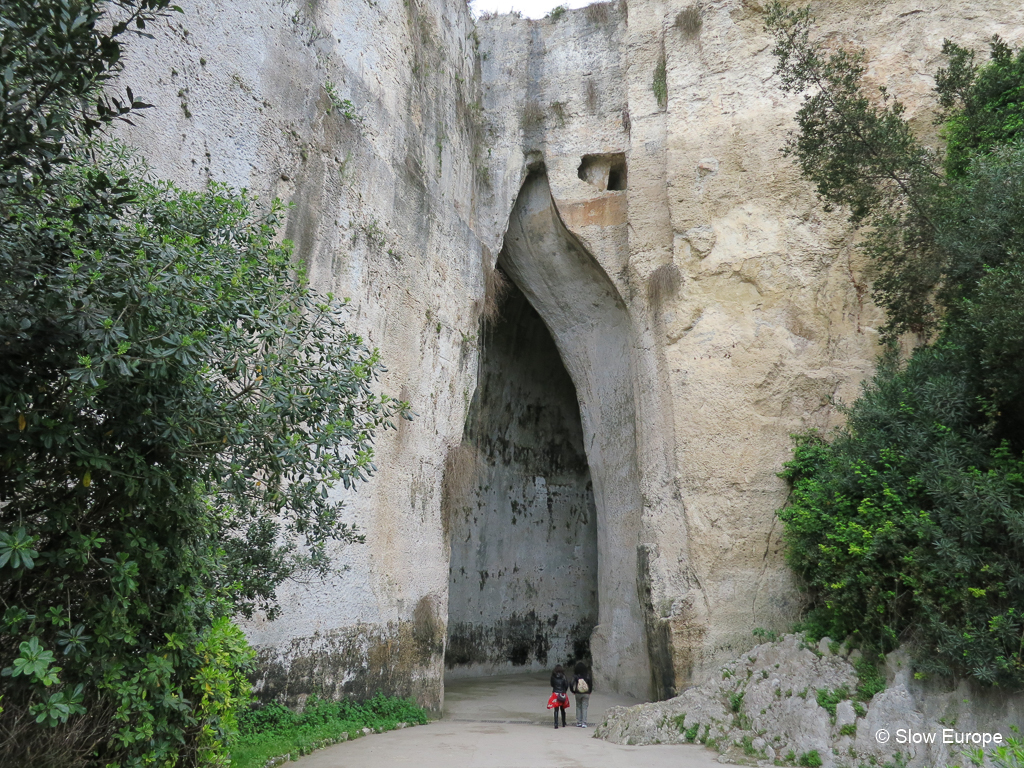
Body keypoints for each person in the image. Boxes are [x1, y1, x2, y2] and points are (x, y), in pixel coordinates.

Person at [570, 660, 593, 727]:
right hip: (586, 693)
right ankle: (584, 723)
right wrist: (590, 691)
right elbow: (590, 684)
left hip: (578, 692)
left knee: (578, 706)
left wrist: (573, 691)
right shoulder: (588, 675)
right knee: (584, 707)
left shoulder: (575, 676)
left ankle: (579, 722)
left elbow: (571, 684)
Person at [548, 664, 570, 728]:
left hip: (555, 693)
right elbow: (566, 685)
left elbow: (552, 684)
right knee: (563, 709)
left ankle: (556, 724)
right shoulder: (564, 676)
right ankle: (563, 723)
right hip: (562, 693)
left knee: (556, 710)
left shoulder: (553, 676)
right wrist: (564, 691)